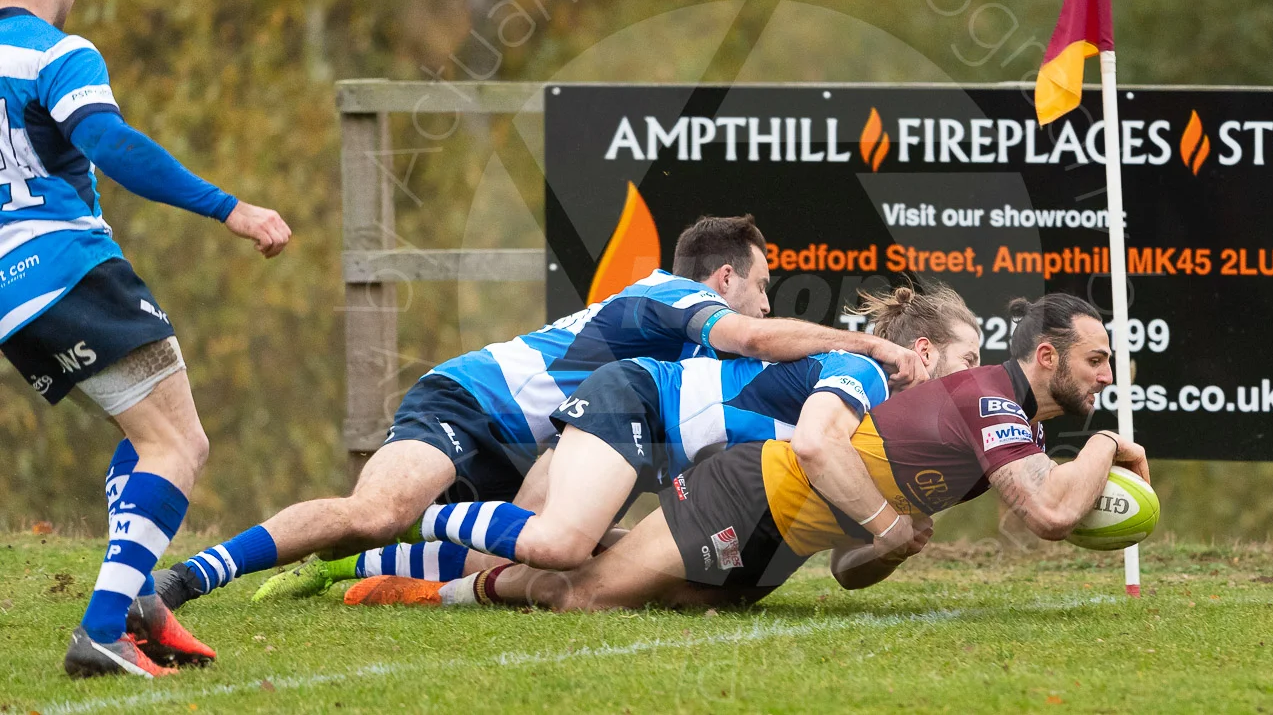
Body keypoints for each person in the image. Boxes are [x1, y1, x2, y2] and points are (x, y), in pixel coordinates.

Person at [160, 215, 927, 608]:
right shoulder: (669, 294)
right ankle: (189, 578)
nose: (766, 300)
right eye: (762, 283)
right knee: (380, 508)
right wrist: (871, 347)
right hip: (470, 402)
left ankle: (343, 573)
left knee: (531, 554)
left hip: (539, 444)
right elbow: (759, 334)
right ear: (724, 277)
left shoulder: (698, 364)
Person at [350, 292, 1149, 612]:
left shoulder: (1011, 433)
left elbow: (849, 568)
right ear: (1046, 358)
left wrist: (892, 545)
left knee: (591, 575)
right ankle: (418, 558)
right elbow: (1049, 512)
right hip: (749, 491)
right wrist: (1110, 444)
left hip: (785, 551)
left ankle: (436, 579)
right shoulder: (984, 398)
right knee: (578, 591)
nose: (1107, 377)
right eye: (1096, 361)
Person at [0, 0, 292, 678]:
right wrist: (231, 208)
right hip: (69, 266)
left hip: (10, 298)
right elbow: (109, 143)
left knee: (150, 440)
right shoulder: (56, 52)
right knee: (178, 444)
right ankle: (103, 627)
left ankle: (140, 606)